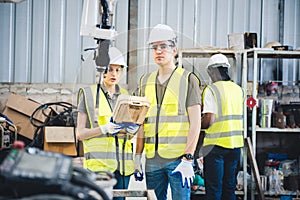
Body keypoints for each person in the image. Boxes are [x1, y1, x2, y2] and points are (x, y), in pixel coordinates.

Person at [134, 24, 202, 200]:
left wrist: (188, 158)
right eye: (154, 47)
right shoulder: (145, 81)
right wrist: (137, 157)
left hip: (178, 160)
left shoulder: (188, 79)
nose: (158, 51)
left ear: (175, 50)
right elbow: (142, 124)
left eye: (163, 46)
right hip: (152, 160)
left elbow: (196, 123)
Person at [76, 46, 139, 200]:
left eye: (118, 70)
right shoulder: (88, 94)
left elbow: (129, 135)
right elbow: (80, 134)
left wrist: (133, 130)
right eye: (110, 69)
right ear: (101, 70)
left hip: (124, 166)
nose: (114, 74)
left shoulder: (126, 96)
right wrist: (104, 129)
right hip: (100, 166)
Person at [200, 54, 245, 200]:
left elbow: (209, 119)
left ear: (212, 72)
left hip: (215, 147)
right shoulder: (239, 90)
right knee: (229, 187)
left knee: (214, 189)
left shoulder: (211, 90)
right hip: (235, 146)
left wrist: (196, 124)